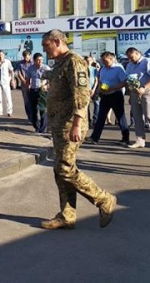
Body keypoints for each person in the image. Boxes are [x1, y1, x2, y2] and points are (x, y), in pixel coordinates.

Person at [40, 29, 116, 230]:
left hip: (71, 125)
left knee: (65, 169)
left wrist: (76, 124)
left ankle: (104, 199)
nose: (44, 50)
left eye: (46, 45)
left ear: (57, 41)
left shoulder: (74, 61)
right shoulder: (60, 63)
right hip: (59, 124)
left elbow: (82, 96)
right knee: (59, 170)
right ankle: (67, 216)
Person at [88, 52, 130, 146]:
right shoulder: (103, 69)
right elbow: (100, 80)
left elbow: (124, 82)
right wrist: (99, 90)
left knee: (120, 118)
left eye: (105, 60)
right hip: (105, 95)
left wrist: (113, 88)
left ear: (111, 59)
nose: (104, 62)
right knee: (101, 117)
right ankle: (95, 138)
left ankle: (125, 138)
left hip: (116, 95)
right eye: (102, 60)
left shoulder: (118, 68)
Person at [125, 47, 150, 149]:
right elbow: (129, 79)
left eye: (132, 57)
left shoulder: (147, 62)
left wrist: (144, 87)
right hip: (134, 92)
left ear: (137, 54)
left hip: (147, 90)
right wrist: (130, 93)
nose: (130, 59)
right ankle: (140, 140)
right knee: (137, 117)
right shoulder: (129, 65)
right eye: (128, 57)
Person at [26, 53, 50, 133]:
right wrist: (27, 88)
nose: (40, 62)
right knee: (33, 111)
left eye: (41, 60)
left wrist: (47, 86)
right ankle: (36, 126)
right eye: (38, 60)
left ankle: (42, 129)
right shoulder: (30, 68)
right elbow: (27, 79)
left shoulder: (46, 68)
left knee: (43, 110)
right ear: (34, 60)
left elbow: (51, 79)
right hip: (33, 90)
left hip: (43, 91)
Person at [16, 50, 34, 124]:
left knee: (33, 102)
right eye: (24, 56)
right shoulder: (20, 64)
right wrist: (24, 81)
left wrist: (30, 82)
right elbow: (19, 73)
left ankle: (34, 117)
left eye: (27, 56)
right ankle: (29, 117)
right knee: (27, 102)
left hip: (33, 85)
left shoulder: (33, 63)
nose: (26, 58)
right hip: (24, 85)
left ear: (30, 55)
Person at [0, 50, 15, 117]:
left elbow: (11, 71)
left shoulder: (7, 62)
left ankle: (9, 112)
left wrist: (12, 80)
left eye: (1, 54)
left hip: (6, 81)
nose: (0, 56)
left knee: (8, 97)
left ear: (4, 55)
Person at [85, 55, 99, 126]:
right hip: (85, 89)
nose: (88, 62)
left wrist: (93, 89)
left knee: (96, 103)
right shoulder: (82, 69)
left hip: (93, 88)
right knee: (86, 105)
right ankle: (88, 120)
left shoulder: (94, 69)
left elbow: (96, 80)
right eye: (87, 61)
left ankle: (95, 119)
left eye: (90, 61)